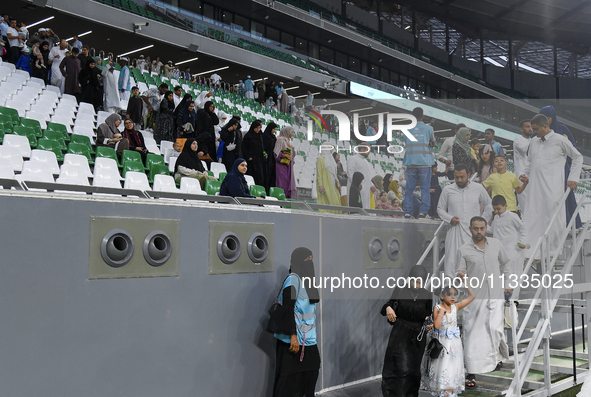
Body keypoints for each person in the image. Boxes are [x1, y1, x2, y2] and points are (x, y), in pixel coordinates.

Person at [457, 216, 512, 389]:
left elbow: (506, 263)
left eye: (481, 228)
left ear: (486, 227)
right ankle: (470, 373)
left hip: (495, 296)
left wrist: (508, 285)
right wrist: (460, 275)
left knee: (495, 330)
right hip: (475, 299)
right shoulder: (464, 250)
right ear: (470, 229)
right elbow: (459, 271)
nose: (479, 232)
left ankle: (496, 359)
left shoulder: (496, 244)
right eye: (475, 229)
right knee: (472, 335)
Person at [519, 114, 583, 259]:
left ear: (545, 126)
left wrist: (572, 178)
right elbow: (530, 162)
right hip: (535, 188)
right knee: (532, 216)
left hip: (553, 188)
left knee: (552, 217)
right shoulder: (534, 142)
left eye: (536, 129)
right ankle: (530, 251)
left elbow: (578, 157)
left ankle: (552, 252)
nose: (533, 132)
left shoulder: (560, 140)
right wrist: (524, 174)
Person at [272, 247, 320, 397]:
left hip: (309, 341)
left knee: (309, 379)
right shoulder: (293, 280)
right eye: (307, 260)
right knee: (288, 385)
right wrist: (293, 335)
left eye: (311, 260)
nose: (310, 263)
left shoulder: (308, 282)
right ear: (298, 262)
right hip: (292, 343)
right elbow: (288, 309)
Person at [381, 265, 432, 397]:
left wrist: (428, 323)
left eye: (420, 282)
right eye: (414, 281)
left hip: (417, 337)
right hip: (399, 333)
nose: (416, 285)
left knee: (412, 371)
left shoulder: (427, 294)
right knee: (395, 368)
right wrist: (388, 309)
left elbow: (428, 315)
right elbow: (388, 305)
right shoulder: (400, 289)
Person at [437, 164, 493, 277]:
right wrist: (449, 218)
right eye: (457, 177)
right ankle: (452, 291)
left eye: (462, 177)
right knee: (452, 261)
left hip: (472, 232)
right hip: (454, 231)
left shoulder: (478, 188)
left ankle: (472, 292)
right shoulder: (448, 189)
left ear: (468, 175)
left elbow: (488, 205)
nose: (459, 180)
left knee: (473, 261)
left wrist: (482, 221)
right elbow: (440, 209)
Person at [421, 280, 475, 396]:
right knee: (443, 368)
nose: (453, 297)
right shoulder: (437, 308)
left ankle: (449, 393)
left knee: (453, 368)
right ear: (441, 296)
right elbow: (437, 325)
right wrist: (441, 313)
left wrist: (464, 280)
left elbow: (472, 296)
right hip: (442, 344)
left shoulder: (456, 307)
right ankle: (445, 392)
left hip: (454, 345)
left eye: (455, 294)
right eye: (449, 294)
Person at [539, 105, 582, 229]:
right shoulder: (538, 132)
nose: (545, 122)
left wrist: (572, 175)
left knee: (566, 198)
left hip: (562, 171)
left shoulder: (563, 130)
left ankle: (572, 225)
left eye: (547, 118)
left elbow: (573, 152)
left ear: (552, 117)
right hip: (545, 173)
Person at [490, 195, 528, 295]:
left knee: (514, 276)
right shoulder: (496, 219)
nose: (497, 211)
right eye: (494, 209)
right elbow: (492, 231)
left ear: (505, 206)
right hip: (499, 253)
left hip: (513, 252)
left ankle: (514, 301)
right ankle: (504, 303)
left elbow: (523, 229)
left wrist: (522, 242)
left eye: (498, 209)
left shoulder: (512, 216)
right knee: (501, 278)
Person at [402, 107, 435, 219]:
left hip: (411, 162)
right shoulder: (429, 128)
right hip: (424, 162)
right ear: (423, 116)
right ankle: (423, 212)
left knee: (409, 189)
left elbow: (407, 142)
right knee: (425, 188)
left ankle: (407, 211)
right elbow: (432, 143)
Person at [513, 120, 532, 217]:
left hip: (532, 175)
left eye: (531, 126)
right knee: (525, 203)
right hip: (521, 175)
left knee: (533, 203)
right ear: (521, 129)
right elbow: (526, 149)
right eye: (527, 126)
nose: (530, 129)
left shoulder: (532, 141)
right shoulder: (518, 140)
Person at [274, 127, 296, 199]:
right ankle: (280, 200)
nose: (292, 134)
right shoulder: (281, 140)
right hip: (281, 166)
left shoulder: (288, 141)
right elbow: (275, 154)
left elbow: (293, 154)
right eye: (291, 132)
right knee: (282, 183)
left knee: (288, 183)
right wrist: (285, 155)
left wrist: (292, 147)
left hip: (288, 166)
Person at [241, 120, 266, 186]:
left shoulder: (259, 136)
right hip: (251, 161)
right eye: (256, 128)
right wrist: (248, 157)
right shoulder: (248, 136)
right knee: (250, 175)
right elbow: (244, 148)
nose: (258, 130)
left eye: (259, 128)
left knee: (259, 176)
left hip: (258, 160)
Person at [315, 147, 340, 212]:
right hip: (325, 183)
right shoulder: (321, 159)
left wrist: (337, 183)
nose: (332, 149)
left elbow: (335, 173)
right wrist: (320, 185)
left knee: (335, 202)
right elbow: (319, 173)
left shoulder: (331, 159)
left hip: (333, 184)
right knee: (327, 202)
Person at [262, 122, 278, 192]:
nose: (274, 131)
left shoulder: (273, 137)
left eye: (275, 129)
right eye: (273, 129)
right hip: (266, 159)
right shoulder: (264, 136)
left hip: (272, 159)